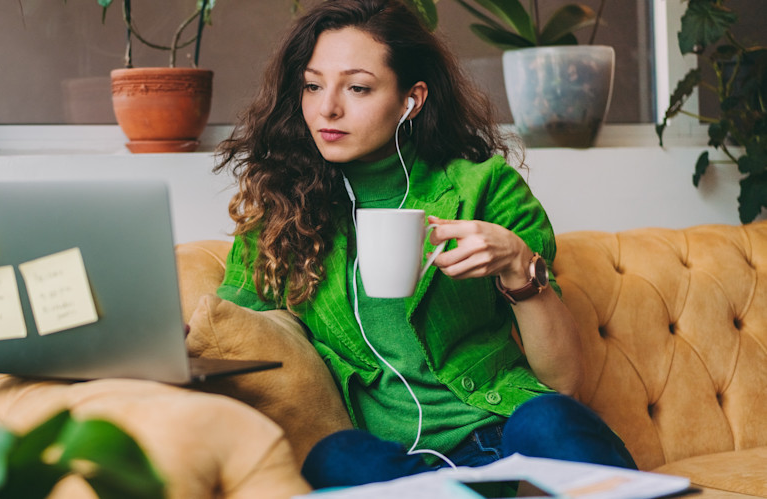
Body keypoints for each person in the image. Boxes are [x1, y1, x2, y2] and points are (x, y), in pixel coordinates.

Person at [212, 0, 636, 490]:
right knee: (336, 454)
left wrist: (519, 265)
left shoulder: (484, 186)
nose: (327, 107)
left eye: (357, 87)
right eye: (312, 85)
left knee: (547, 417)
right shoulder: (279, 212)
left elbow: (564, 383)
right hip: (396, 464)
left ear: (411, 100)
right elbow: (230, 327)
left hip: (499, 434)